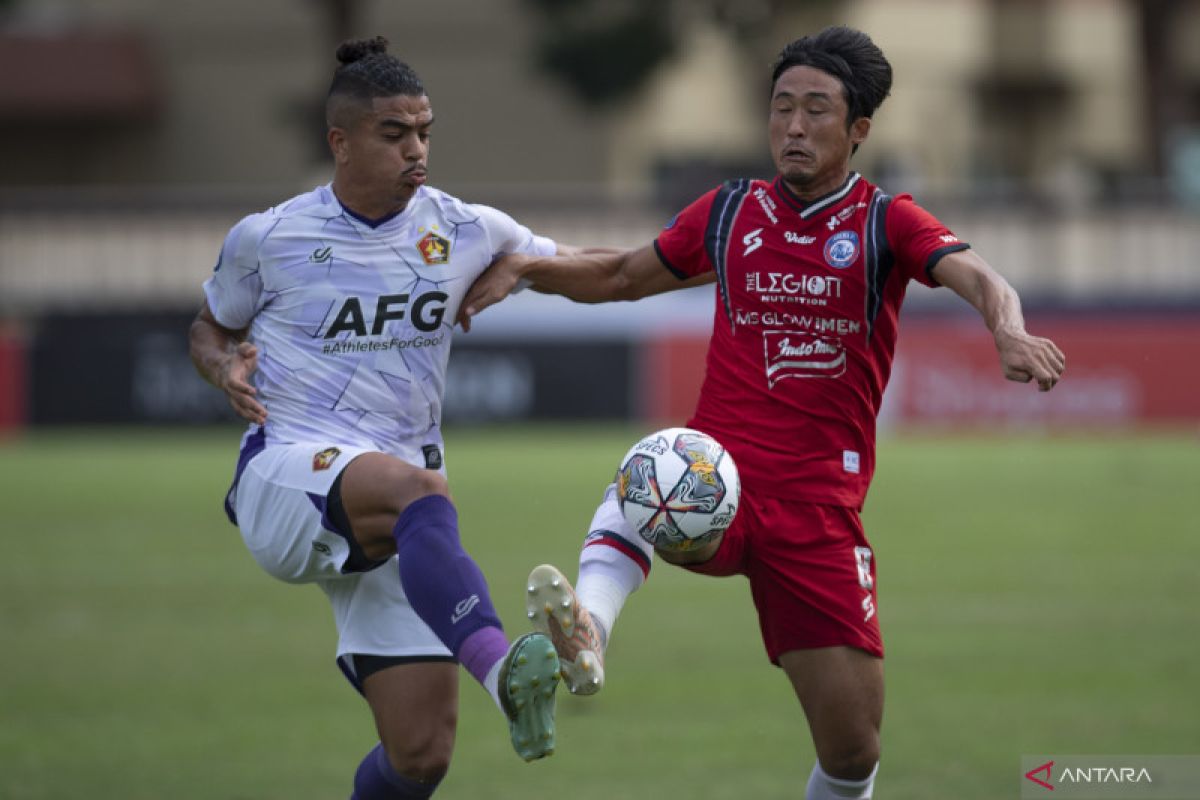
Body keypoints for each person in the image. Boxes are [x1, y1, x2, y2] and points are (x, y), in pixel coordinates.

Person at [458, 25, 1066, 800]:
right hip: (720, 480)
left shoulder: (886, 222)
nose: (794, 127)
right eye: (781, 108)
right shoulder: (731, 211)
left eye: (817, 111)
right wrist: (528, 270)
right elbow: (617, 276)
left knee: (853, 752)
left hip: (817, 510)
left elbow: (980, 277)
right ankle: (590, 633)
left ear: (859, 131)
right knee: (658, 470)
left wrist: (1008, 330)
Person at [189, 36, 584, 800]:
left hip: (397, 515)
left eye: (426, 132)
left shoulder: (464, 228)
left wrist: (531, 264)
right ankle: (505, 673)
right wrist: (221, 364)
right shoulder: (269, 238)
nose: (417, 150)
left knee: (420, 754)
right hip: (285, 476)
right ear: (339, 141)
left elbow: (606, 270)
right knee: (424, 491)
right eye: (395, 133)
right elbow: (208, 325)